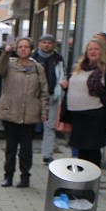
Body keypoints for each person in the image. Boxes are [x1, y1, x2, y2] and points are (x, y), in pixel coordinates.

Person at [0, 38, 48, 188]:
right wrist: (5, 54)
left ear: (31, 49)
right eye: (20, 47)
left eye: (26, 47)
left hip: (29, 113)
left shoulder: (38, 67)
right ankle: (8, 176)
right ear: (16, 49)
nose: (23, 49)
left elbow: (44, 91)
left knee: (26, 148)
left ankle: (25, 177)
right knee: (11, 147)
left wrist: (44, 110)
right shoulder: (9, 64)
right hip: (11, 111)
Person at [59, 39, 106, 166]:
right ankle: (82, 181)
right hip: (78, 116)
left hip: (95, 116)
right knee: (81, 152)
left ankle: (92, 182)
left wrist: (104, 98)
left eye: (96, 49)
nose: (93, 52)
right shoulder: (79, 67)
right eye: (90, 49)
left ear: (102, 52)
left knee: (92, 151)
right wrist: (67, 87)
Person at [34, 34, 66, 163]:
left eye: (49, 43)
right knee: (27, 125)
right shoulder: (33, 57)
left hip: (52, 96)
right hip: (34, 96)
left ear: (53, 44)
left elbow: (62, 75)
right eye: (44, 42)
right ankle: (23, 151)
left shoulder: (58, 58)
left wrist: (61, 88)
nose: (47, 45)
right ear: (40, 43)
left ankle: (47, 154)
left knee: (50, 126)